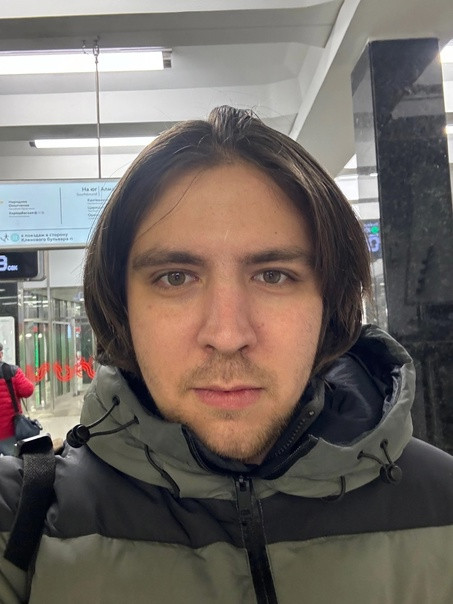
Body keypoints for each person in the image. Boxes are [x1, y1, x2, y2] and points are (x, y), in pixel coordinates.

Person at [0, 106, 452, 603]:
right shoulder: (23, 522)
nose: (228, 334)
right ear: (122, 307)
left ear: (330, 302)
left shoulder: (443, 506)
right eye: (175, 278)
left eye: (273, 275)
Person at [0, 343, 35, 456]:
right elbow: (28, 390)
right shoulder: (11, 371)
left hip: (9, 431)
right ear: (1, 354)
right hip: (9, 430)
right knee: (13, 462)